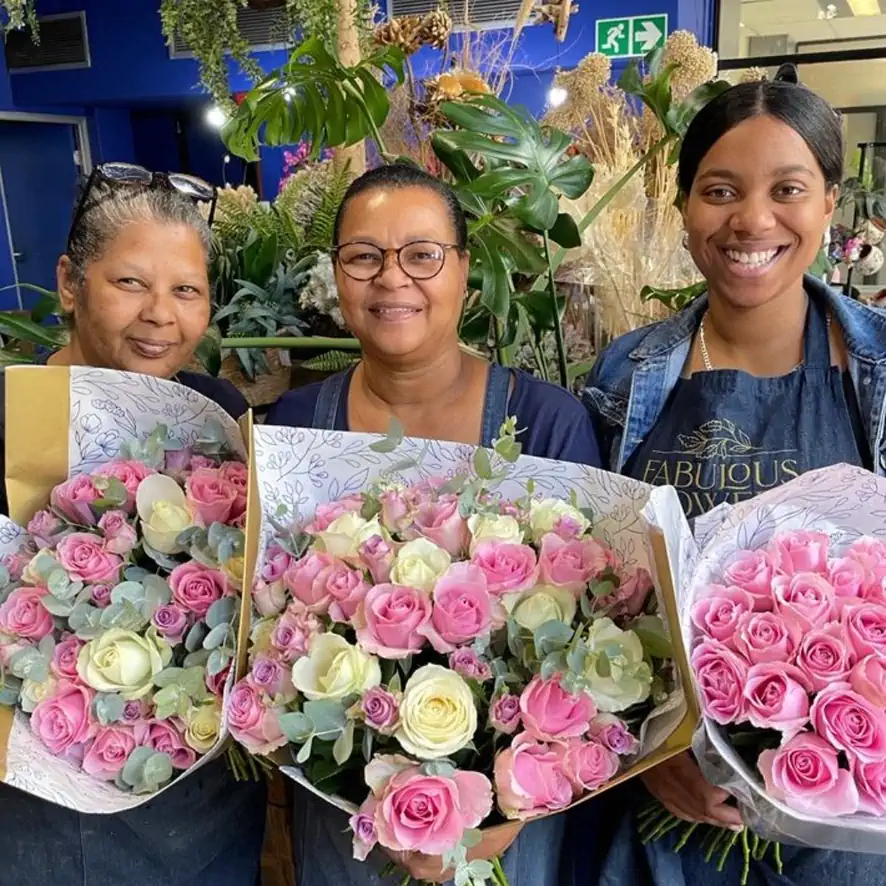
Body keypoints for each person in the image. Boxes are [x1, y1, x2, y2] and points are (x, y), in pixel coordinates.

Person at [564, 67, 886, 886]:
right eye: (719, 190)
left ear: (828, 202)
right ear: (681, 210)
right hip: (660, 821)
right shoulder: (623, 376)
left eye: (788, 189)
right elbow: (583, 591)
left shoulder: (879, 368)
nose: (752, 220)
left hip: (846, 823)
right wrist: (645, 755)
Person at [265, 163, 602, 886]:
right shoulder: (295, 427)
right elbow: (264, 633)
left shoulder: (546, 423)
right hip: (345, 821)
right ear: (336, 275)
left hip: (507, 824)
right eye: (364, 256)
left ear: (465, 271)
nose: (392, 279)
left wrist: (498, 819)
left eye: (422, 254)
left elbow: (594, 632)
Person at [0, 163, 267, 885]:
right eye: (129, 283)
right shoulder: (9, 416)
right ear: (67, 282)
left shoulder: (215, 411)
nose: (160, 314)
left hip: (208, 794)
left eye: (186, 291)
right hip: (50, 800)